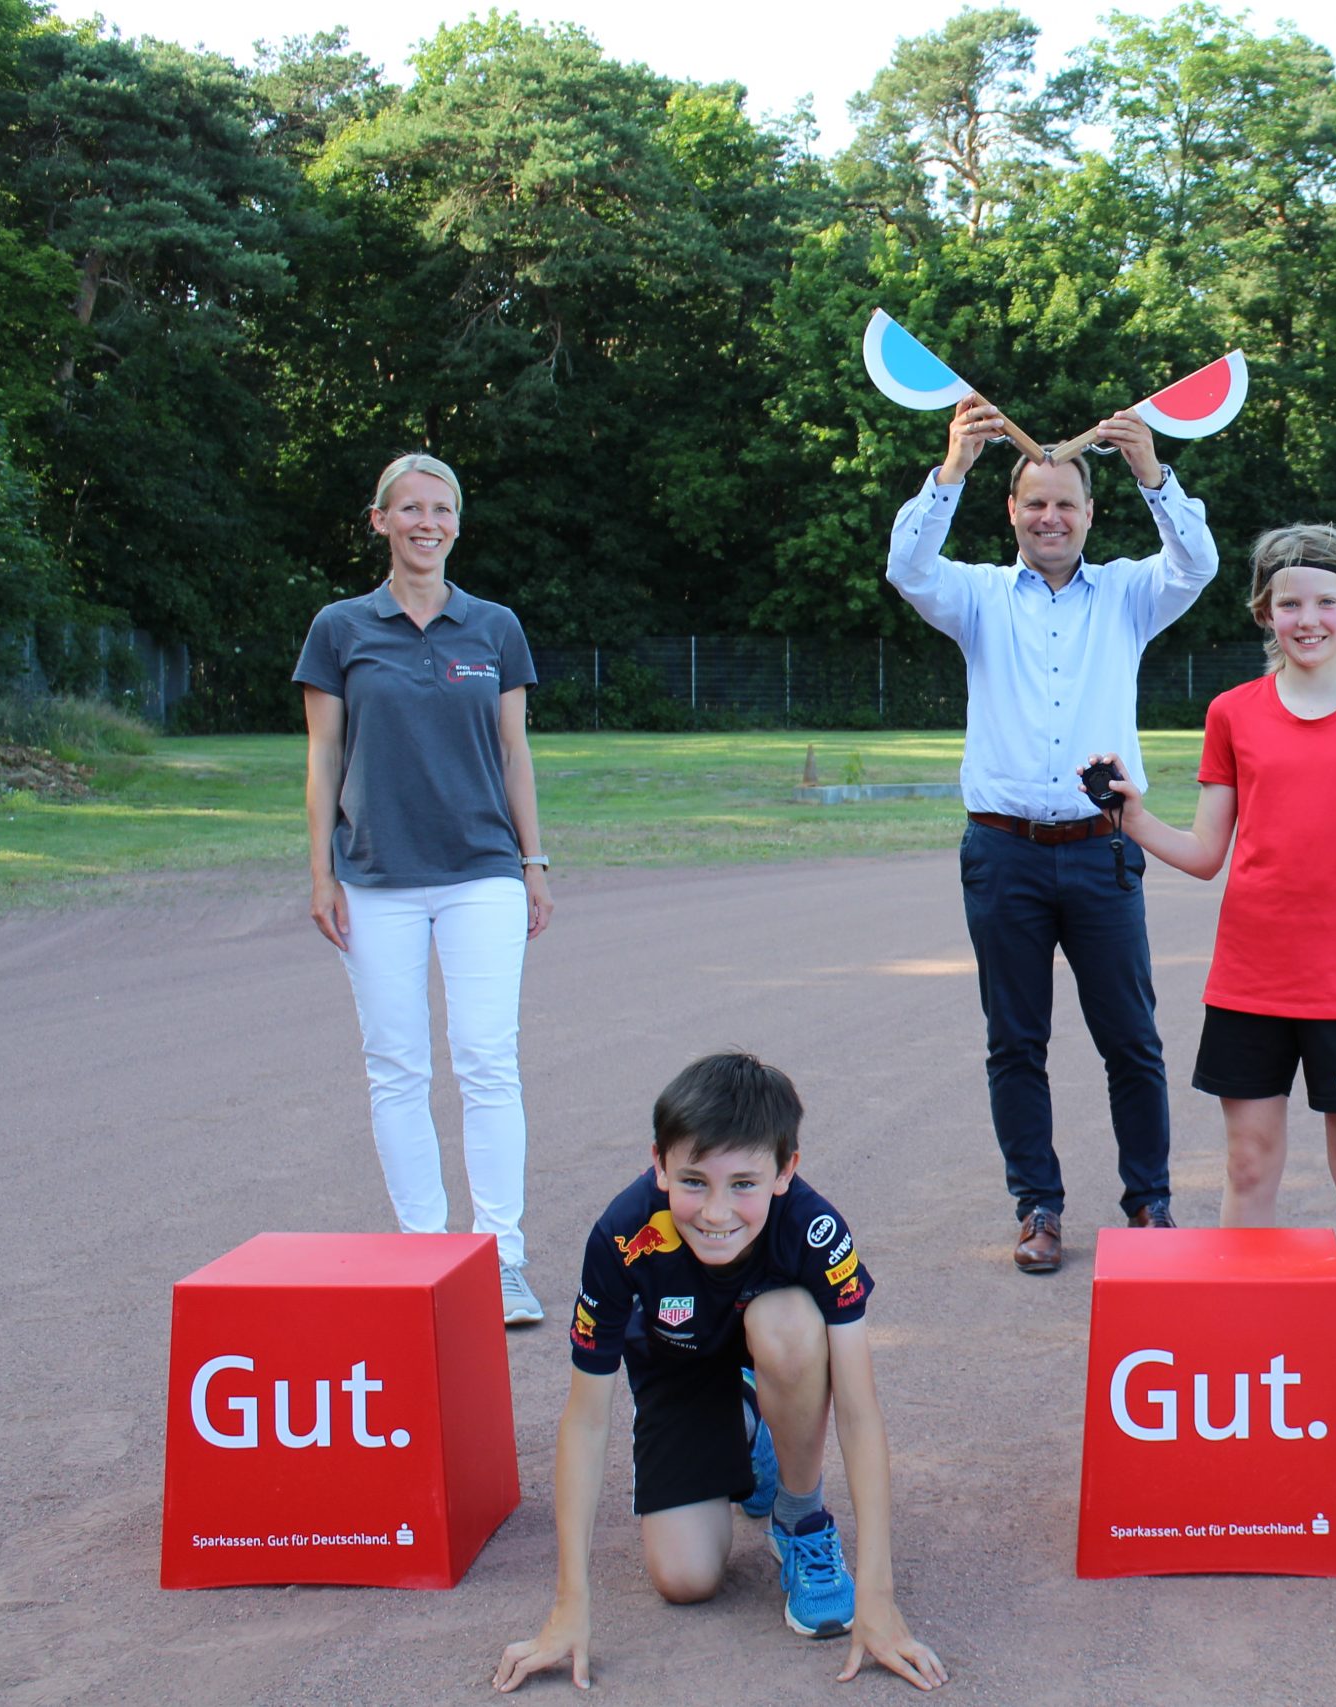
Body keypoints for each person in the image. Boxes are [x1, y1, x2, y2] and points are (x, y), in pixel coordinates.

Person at [1086, 522, 1336, 1459]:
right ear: (1266, 612)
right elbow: (1205, 852)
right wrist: (1130, 813)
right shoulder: (1234, 712)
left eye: (1327, 601)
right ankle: (1242, 1354)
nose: (1309, 618)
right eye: (1290, 602)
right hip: (1252, 977)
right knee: (1250, 1166)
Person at [887, 398, 1221, 1274]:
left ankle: (1149, 1202)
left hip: (1104, 848)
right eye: (1035, 502)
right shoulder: (977, 597)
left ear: (1089, 513)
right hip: (1003, 852)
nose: (1050, 517)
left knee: (1132, 1041)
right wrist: (951, 468)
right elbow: (906, 566)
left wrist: (1155, 474)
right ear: (1012, 511)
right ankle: (1037, 1206)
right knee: (1015, 1040)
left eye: (1066, 504)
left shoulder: (1128, 596)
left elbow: (1199, 562)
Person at [492, 1052, 946, 1694]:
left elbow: (860, 1408)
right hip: (679, 1372)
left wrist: (879, 1597)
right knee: (686, 1581)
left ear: (786, 1170)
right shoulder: (622, 1235)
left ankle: (799, 1517)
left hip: (776, 1344)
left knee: (786, 1324)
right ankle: (747, 1427)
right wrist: (569, 1605)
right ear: (659, 1164)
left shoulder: (816, 1229)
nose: (715, 1211)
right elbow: (586, 1419)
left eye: (743, 1184)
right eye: (694, 1181)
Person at [296, 451, 555, 1326]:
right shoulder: (340, 627)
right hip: (373, 877)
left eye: (439, 509)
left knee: (487, 1060)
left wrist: (534, 860)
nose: (425, 522)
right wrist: (321, 871)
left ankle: (502, 1258)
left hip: (482, 868)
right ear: (380, 521)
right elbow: (323, 756)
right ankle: (422, 1253)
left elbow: (515, 752)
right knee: (397, 1067)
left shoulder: (495, 627)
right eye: (408, 509)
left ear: (456, 522)